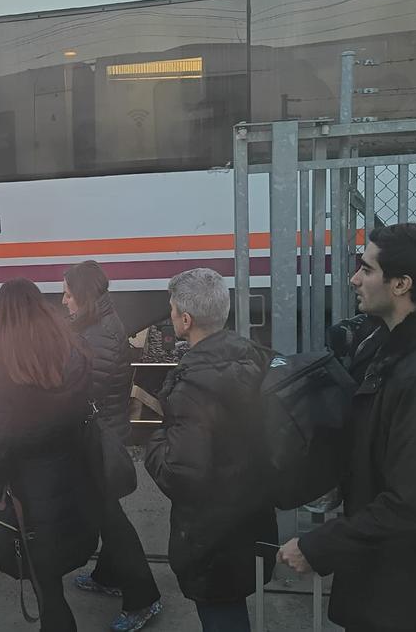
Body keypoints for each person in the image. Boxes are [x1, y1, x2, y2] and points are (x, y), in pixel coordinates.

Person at [277, 223, 416, 632]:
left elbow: (413, 502)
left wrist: (319, 546)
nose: (354, 279)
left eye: (366, 269)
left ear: (401, 284)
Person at [144, 268, 277, 632]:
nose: (169, 317)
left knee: (221, 612)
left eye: (171, 310)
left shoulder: (191, 387)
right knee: (232, 606)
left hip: (211, 534)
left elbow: (180, 473)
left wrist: (154, 442)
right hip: (251, 515)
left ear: (185, 321)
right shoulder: (255, 357)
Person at [0, 278, 101, 632]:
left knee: (45, 585)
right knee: (54, 568)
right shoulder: (70, 351)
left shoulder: (2, 367)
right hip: (75, 479)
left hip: (29, 495)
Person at [62, 261, 163, 631]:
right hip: (102, 432)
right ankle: (107, 576)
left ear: (84, 297)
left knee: (110, 518)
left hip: (99, 437)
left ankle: (144, 598)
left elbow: (83, 392)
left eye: (69, 294)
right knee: (104, 511)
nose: (63, 301)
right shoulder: (96, 325)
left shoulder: (98, 334)